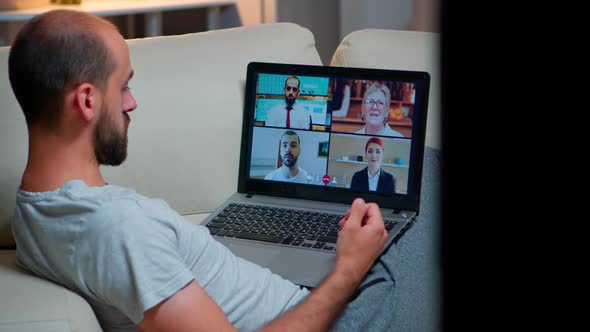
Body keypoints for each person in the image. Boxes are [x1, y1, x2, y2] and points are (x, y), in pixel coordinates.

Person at [8, 9, 396, 332]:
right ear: (87, 100)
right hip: (342, 317)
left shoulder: (31, 209)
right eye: (123, 86)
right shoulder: (120, 229)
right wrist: (349, 268)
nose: (132, 103)